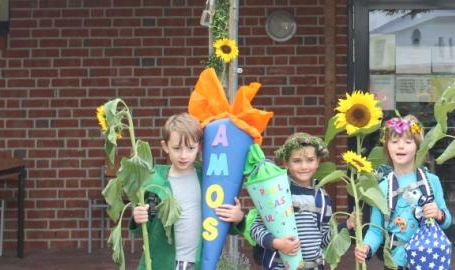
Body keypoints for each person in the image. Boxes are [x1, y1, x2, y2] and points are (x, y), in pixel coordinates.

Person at [132, 113, 244, 270]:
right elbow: (146, 225)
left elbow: (218, 216)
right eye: (177, 148)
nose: (184, 155)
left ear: (199, 146)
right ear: (165, 146)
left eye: (190, 148)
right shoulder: (155, 182)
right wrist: (138, 217)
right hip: (161, 263)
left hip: (198, 263)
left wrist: (237, 218)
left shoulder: (207, 178)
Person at [355, 116, 451, 269]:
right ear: (386, 147)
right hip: (395, 261)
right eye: (394, 142)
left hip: (427, 259)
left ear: (418, 147)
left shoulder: (431, 181)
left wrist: (439, 214)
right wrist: (366, 247)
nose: (401, 147)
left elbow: (447, 221)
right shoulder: (382, 187)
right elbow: (375, 229)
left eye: (408, 142)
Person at [250, 133, 333, 270]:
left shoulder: (322, 197)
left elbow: (323, 240)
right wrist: (277, 243)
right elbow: (256, 228)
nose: (304, 166)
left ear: (318, 161)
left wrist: (344, 228)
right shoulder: (277, 192)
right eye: (297, 161)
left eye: (310, 160)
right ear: (285, 163)